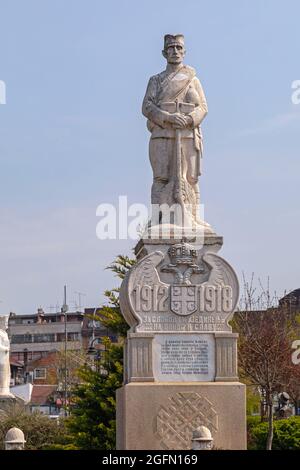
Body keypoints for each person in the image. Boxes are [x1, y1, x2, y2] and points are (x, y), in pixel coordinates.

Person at [142, 34, 208, 229]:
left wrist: (189, 119)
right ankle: (158, 218)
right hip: (162, 134)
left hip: (188, 135)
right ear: (164, 52)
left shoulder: (193, 80)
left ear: (184, 52)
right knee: (161, 177)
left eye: (179, 48)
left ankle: (194, 218)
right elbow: (147, 107)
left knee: (191, 178)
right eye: (171, 48)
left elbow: (203, 107)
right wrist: (168, 118)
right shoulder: (156, 80)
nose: (175, 52)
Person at [0, 316, 11, 396]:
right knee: (2, 372)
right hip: (1, 356)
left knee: (7, 372)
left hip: (6, 356)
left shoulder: (5, 333)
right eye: (5, 323)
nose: (6, 324)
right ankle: (2, 389)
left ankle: (6, 389)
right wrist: (5, 349)